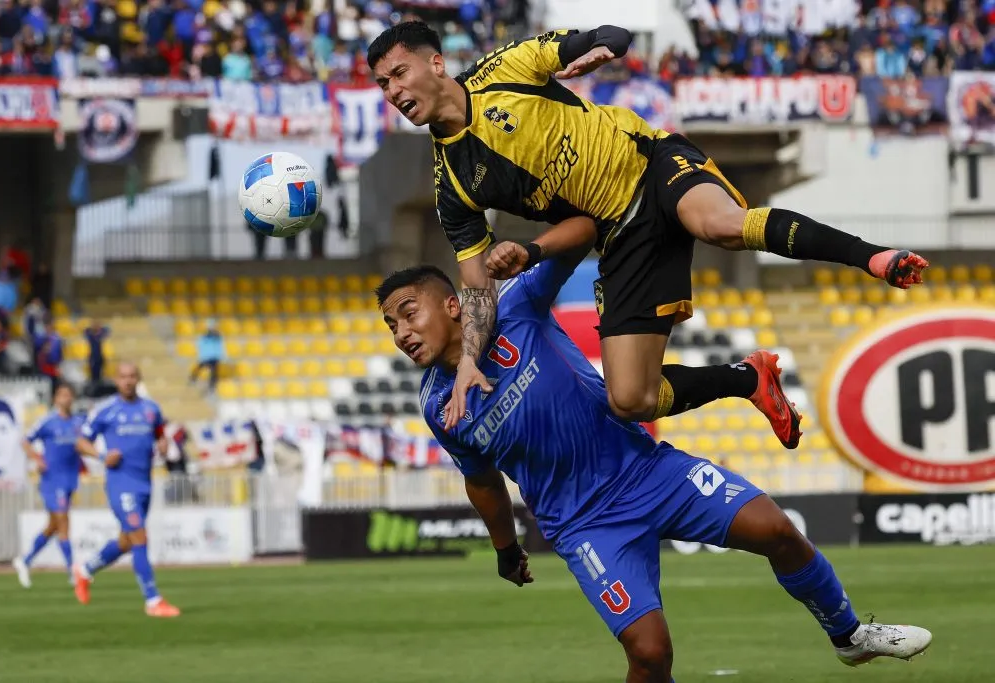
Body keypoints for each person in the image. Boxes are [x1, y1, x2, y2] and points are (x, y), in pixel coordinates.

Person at [375, 247, 932, 682]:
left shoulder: (515, 307)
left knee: (777, 530)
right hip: (586, 525)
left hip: (649, 472)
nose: (402, 333)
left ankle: (849, 635)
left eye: (407, 313)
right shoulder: (436, 405)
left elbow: (582, 233)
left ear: (453, 304)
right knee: (650, 654)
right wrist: (505, 549)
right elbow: (483, 482)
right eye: (390, 326)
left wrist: (531, 247)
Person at [366, 22, 929, 446]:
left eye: (398, 74)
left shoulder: (505, 70)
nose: (392, 91)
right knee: (630, 398)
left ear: (435, 63)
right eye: (382, 85)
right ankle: (747, 378)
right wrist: (469, 358)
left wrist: (599, 46)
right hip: (617, 232)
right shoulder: (452, 186)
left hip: (652, 164)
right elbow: (475, 289)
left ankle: (873, 257)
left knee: (721, 225)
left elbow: (609, 35)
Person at [73, 362, 180, 618]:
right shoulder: (105, 410)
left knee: (126, 542)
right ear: (117, 380)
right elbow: (80, 441)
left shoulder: (151, 409)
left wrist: (164, 445)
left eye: (132, 377)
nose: (128, 381)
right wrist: (101, 455)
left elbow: (160, 433)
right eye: (123, 377)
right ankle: (153, 601)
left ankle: (85, 569)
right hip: (121, 484)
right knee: (140, 537)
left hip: (145, 483)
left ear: (138, 379)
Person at [13, 383, 83, 587]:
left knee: (53, 525)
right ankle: (72, 570)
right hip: (52, 479)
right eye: (62, 395)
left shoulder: (78, 422)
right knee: (63, 522)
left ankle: (24, 561)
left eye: (69, 395)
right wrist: (37, 458)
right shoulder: (48, 422)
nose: (66, 399)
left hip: (70, 478)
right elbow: (25, 440)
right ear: (55, 399)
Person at [189, 319, 224, 392]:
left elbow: (220, 346)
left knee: (214, 372)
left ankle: (212, 386)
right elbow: (201, 344)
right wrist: (201, 354)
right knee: (199, 367)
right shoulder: (206, 335)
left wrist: (221, 355)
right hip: (206, 356)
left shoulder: (217, 336)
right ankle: (193, 379)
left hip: (214, 357)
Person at [83, 319, 110, 386]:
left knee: (100, 372)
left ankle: (99, 385)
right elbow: (85, 331)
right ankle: (93, 385)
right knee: (93, 372)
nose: (96, 327)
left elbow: (107, 331)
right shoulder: (90, 335)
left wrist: (100, 328)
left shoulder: (100, 335)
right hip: (92, 356)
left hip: (100, 356)